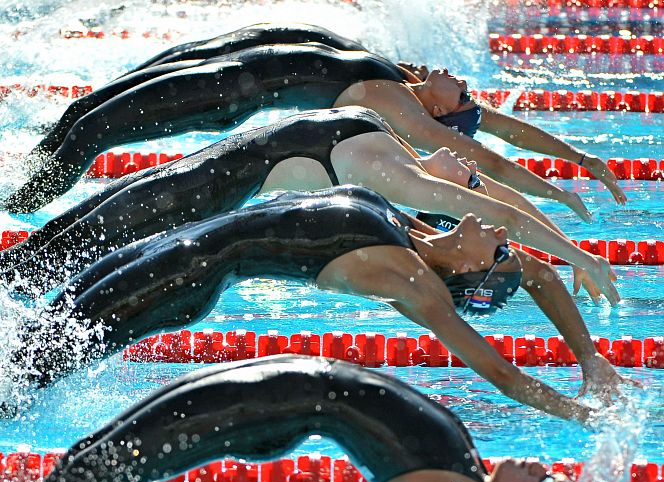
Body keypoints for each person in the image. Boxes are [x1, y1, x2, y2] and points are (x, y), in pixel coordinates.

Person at [12, 187, 624, 412]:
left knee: (34, 367)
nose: (497, 230)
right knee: (38, 333)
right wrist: (589, 358)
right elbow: (537, 275)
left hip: (187, 275)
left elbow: (502, 374)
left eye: (497, 247)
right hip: (179, 246)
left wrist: (580, 413)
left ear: (472, 270)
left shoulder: (411, 280)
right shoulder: (414, 229)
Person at [3, 353, 591, 482]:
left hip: (267, 406)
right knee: (88, 460)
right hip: (274, 392)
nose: (542, 469)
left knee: (95, 472)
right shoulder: (470, 477)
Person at [0, 108, 614, 302]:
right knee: (48, 245)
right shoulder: (399, 147)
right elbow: (502, 197)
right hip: (192, 174)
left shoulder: (407, 185)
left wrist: (580, 257)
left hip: (191, 198)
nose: (468, 161)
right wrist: (560, 200)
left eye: (468, 181)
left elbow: (501, 214)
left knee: (41, 264)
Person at [19, 21, 624, 212]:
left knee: (92, 127)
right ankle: (22, 179)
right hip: (224, 62)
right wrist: (579, 157)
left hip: (224, 90)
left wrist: (557, 194)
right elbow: (499, 126)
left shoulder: (404, 111)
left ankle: (21, 199)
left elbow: (487, 152)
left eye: (462, 94)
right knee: (85, 111)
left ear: (440, 113)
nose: (466, 84)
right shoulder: (405, 79)